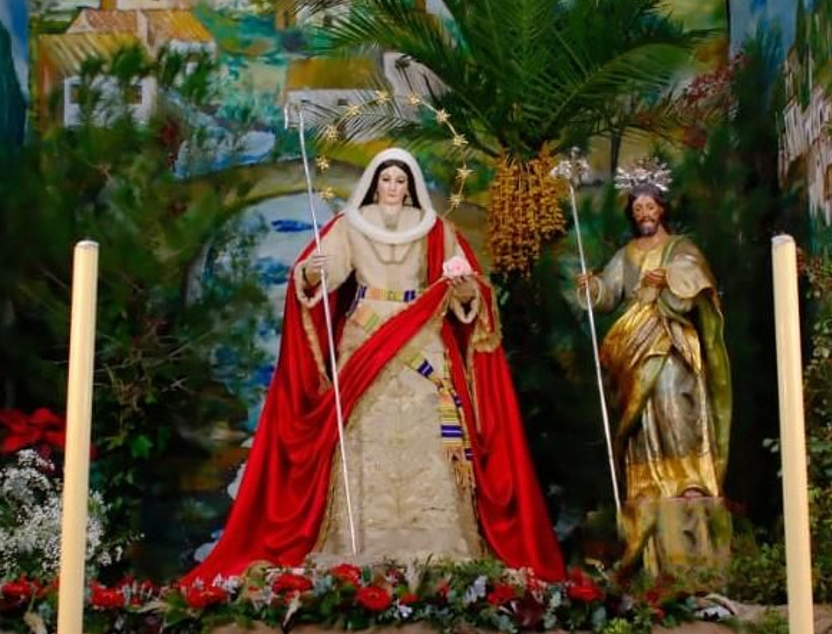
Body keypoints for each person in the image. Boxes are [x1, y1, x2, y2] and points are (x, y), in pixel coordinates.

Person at [188, 146, 563, 581]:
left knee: (432, 436)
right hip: (364, 338)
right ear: (373, 183)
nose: (392, 188)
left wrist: (462, 289)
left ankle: (441, 548)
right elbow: (321, 276)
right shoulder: (350, 226)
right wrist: (312, 272)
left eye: (400, 181)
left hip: (422, 340)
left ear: (411, 188)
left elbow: (468, 294)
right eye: (386, 179)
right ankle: (355, 548)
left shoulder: (436, 230)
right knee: (363, 434)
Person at [576, 177, 732, 574]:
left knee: (674, 404)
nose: (644, 214)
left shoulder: (680, 249)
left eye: (650, 207)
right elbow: (609, 293)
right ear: (633, 214)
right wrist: (592, 286)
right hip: (634, 345)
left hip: (672, 340)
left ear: (662, 209)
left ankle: (688, 479)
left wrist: (671, 279)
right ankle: (650, 482)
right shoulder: (626, 255)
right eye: (638, 209)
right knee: (644, 419)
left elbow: (698, 279)